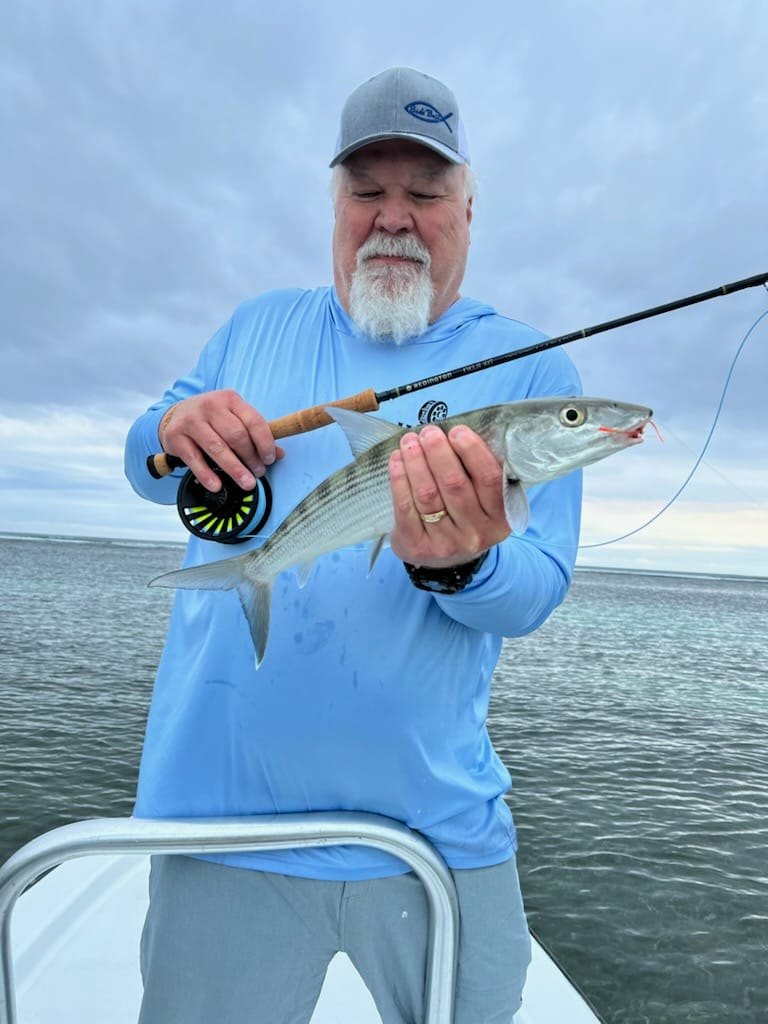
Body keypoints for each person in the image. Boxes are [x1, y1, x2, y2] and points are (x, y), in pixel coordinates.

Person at [125, 66, 582, 1024]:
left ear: (469, 208)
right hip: (220, 825)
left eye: (425, 193)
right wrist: (170, 431)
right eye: (367, 191)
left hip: (433, 831)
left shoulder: (536, 366)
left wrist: (463, 561)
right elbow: (147, 455)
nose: (394, 218)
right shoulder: (256, 327)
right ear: (334, 204)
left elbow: (533, 590)